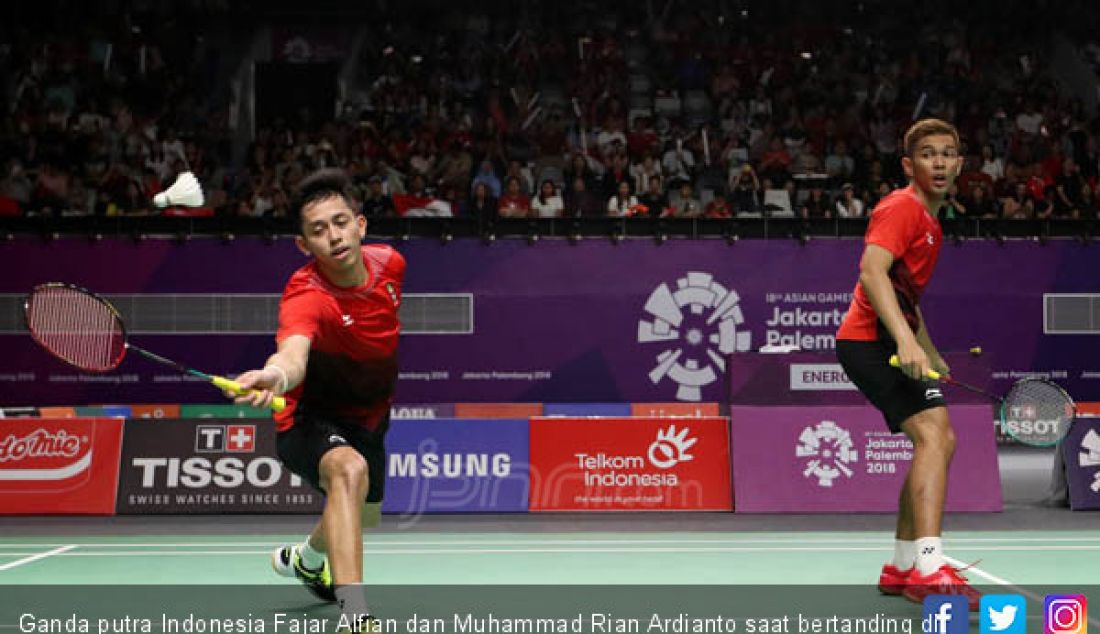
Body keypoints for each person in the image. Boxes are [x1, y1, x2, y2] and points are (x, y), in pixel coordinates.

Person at [230, 168, 404, 630]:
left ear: (360, 225)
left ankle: (307, 560)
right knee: (349, 471)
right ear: (304, 245)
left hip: (369, 415)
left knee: (359, 513)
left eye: (341, 221)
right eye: (318, 230)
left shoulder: (391, 264)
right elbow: (292, 354)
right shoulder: (306, 295)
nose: (334, 235)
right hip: (308, 417)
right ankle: (355, 614)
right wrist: (275, 376)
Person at [835, 119, 981, 609]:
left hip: (884, 339)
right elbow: (871, 272)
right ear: (908, 165)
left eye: (947, 153)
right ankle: (930, 568)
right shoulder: (901, 207)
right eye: (927, 154)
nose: (938, 162)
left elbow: (903, 295)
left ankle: (901, 567)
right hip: (868, 341)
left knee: (937, 439)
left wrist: (928, 347)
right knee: (935, 436)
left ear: (959, 163)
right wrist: (905, 343)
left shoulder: (932, 223)